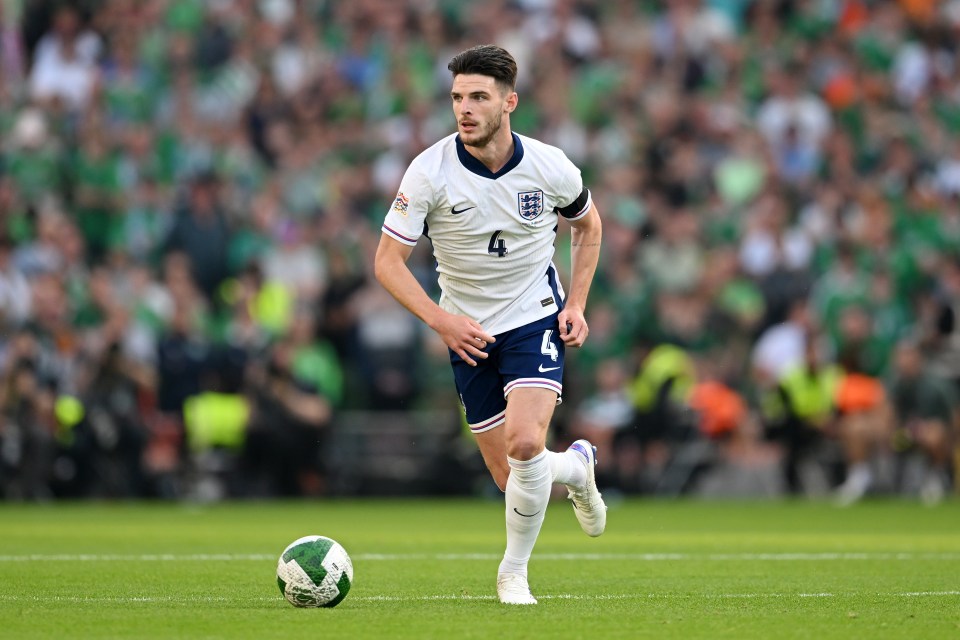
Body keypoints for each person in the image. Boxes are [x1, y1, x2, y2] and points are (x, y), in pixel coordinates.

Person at [374, 44, 606, 605]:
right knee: (510, 480)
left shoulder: (550, 165)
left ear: (509, 102)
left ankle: (513, 574)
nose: (465, 109)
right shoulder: (428, 171)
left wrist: (574, 305)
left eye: (479, 97)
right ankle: (576, 467)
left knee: (526, 445)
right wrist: (442, 322)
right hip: (468, 333)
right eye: (457, 97)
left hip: (533, 318)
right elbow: (386, 262)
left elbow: (589, 227)